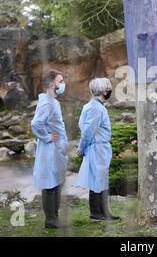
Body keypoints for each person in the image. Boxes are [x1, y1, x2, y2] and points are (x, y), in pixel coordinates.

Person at [74, 78, 119, 221]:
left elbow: (91, 128)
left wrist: (105, 136)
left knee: (100, 179)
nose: (109, 91)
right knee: (97, 180)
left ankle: (103, 211)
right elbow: (88, 130)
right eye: (108, 88)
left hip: (99, 146)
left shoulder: (92, 106)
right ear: (103, 90)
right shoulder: (95, 108)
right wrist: (81, 147)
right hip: (97, 148)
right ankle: (97, 212)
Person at [31, 69, 69, 229]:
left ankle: (55, 217)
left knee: (56, 182)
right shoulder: (46, 102)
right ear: (53, 84)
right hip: (49, 149)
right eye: (60, 81)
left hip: (57, 149)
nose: (63, 84)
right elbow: (35, 123)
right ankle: (51, 220)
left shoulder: (53, 102)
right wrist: (47, 137)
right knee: (50, 184)